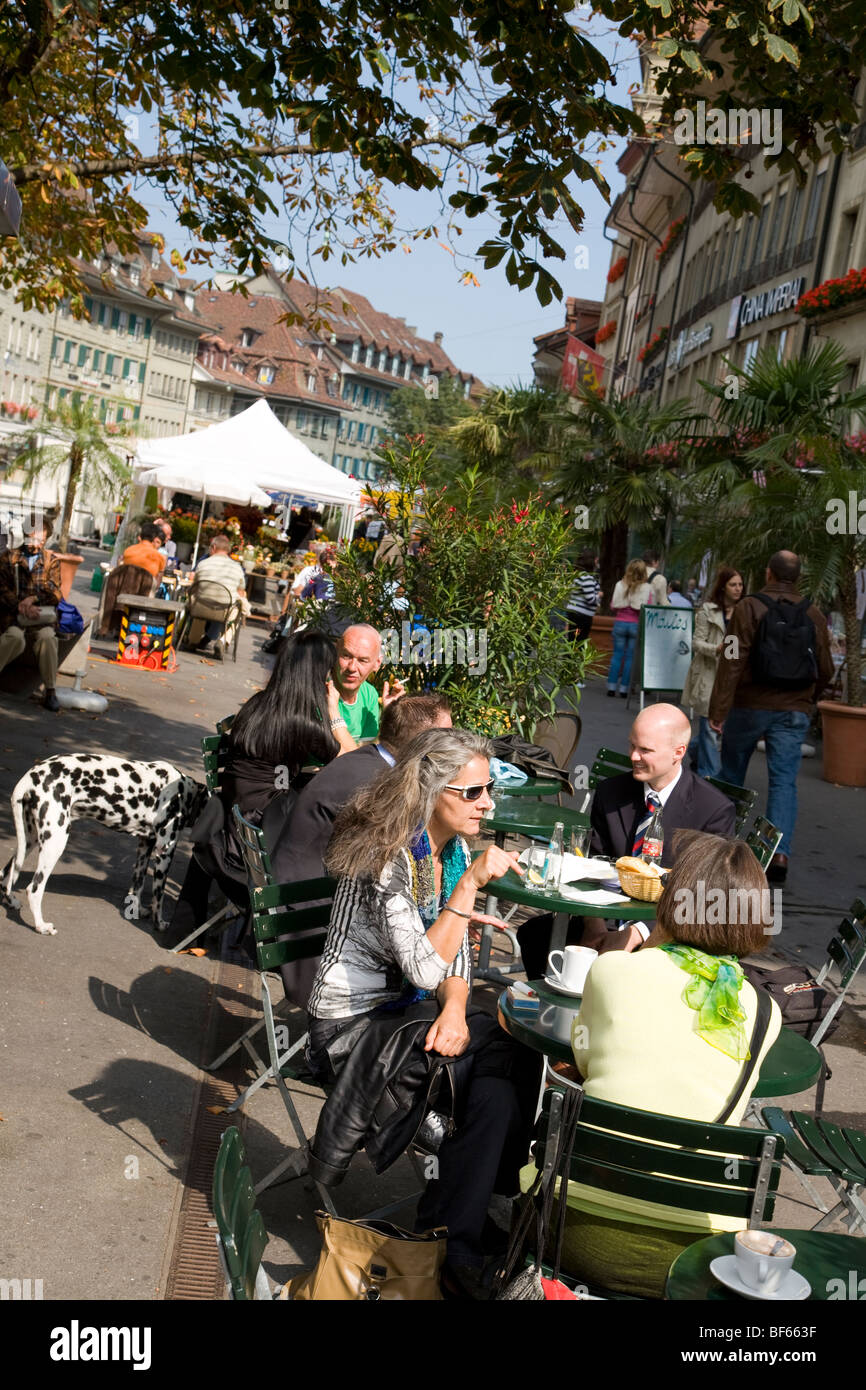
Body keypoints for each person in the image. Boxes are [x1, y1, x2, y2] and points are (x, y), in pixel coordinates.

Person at [307, 727, 540, 1297]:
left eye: (489, 790)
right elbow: (422, 968)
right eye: (474, 792)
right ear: (431, 790)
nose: (488, 803)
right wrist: (469, 889)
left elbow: (453, 962)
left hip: (410, 1016)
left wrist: (457, 1008)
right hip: (353, 1026)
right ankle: (459, 1227)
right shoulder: (387, 854)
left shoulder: (450, 848)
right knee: (496, 1069)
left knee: (505, 1074)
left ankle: (450, 1232)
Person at [552, 830, 782, 1298]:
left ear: (673, 900)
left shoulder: (614, 970)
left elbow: (583, 1060)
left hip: (569, 1230)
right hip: (694, 1259)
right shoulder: (765, 1011)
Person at [516, 703, 737, 977]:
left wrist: (637, 933)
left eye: (645, 750)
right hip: (606, 913)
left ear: (678, 753)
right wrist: (592, 922)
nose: (633, 756)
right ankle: (557, 1016)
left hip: (669, 932)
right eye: (632, 745)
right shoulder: (612, 793)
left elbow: (702, 896)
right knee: (536, 935)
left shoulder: (712, 810)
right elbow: (592, 863)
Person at [171, 630, 343, 933]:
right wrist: (334, 712)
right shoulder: (303, 722)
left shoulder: (258, 704)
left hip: (231, 821)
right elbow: (343, 759)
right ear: (317, 675)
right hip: (256, 842)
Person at [708, 549, 833, 884]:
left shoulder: (750, 607)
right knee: (783, 783)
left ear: (768, 574)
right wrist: (807, 700)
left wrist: (718, 709)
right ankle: (778, 852)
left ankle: (723, 844)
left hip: (748, 706)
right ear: (798, 577)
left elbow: (732, 658)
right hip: (792, 711)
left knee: (731, 773)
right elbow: (825, 667)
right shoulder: (815, 614)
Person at [681, 567, 743, 778]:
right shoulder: (708, 610)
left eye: (740, 585)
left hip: (727, 676)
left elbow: (734, 649)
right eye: (733, 585)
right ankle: (712, 777)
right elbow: (696, 642)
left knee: (708, 731)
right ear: (723, 587)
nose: (737, 589)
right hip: (707, 673)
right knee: (709, 726)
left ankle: (692, 752)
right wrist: (716, 649)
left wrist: (733, 660)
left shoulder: (742, 612)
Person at [0, 524, 62, 710]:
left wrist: (33, 599)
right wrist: (20, 606)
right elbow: (1, 588)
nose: (36, 544)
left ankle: (50, 691)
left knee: (48, 638)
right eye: (33, 539)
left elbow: (55, 593)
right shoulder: (8, 558)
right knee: (14, 638)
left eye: (41, 540)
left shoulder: (51, 560)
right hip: (14, 616)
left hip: (40, 617)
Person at [330, 623, 405, 749]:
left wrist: (390, 714)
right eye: (346, 656)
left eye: (362, 660)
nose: (352, 667)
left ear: (377, 664)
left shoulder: (369, 694)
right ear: (336, 651)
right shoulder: (319, 689)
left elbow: (366, 750)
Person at [191, 535, 247, 656]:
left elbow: (194, 586)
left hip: (200, 608)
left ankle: (193, 640)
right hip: (224, 611)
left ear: (214, 547)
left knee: (199, 597)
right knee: (238, 608)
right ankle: (223, 640)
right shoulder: (237, 568)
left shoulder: (203, 563)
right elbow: (241, 593)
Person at [607, 558, 651, 698]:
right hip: (635, 625)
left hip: (620, 623)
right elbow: (647, 607)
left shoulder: (620, 585)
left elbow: (613, 605)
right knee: (630, 658)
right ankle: (624, 689)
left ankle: (611, 687)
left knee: (617, 655)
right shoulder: (646, 588)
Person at [565, 551, 601, 660]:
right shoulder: (587, 578)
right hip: (582, 616)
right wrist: (599, 595)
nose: (597, 563)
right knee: (579, 644)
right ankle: (572, 670)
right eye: (596, 560)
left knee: (572, 642)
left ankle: (566, 671)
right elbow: (590, 599)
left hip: (573, 612)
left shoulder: (576, 575)